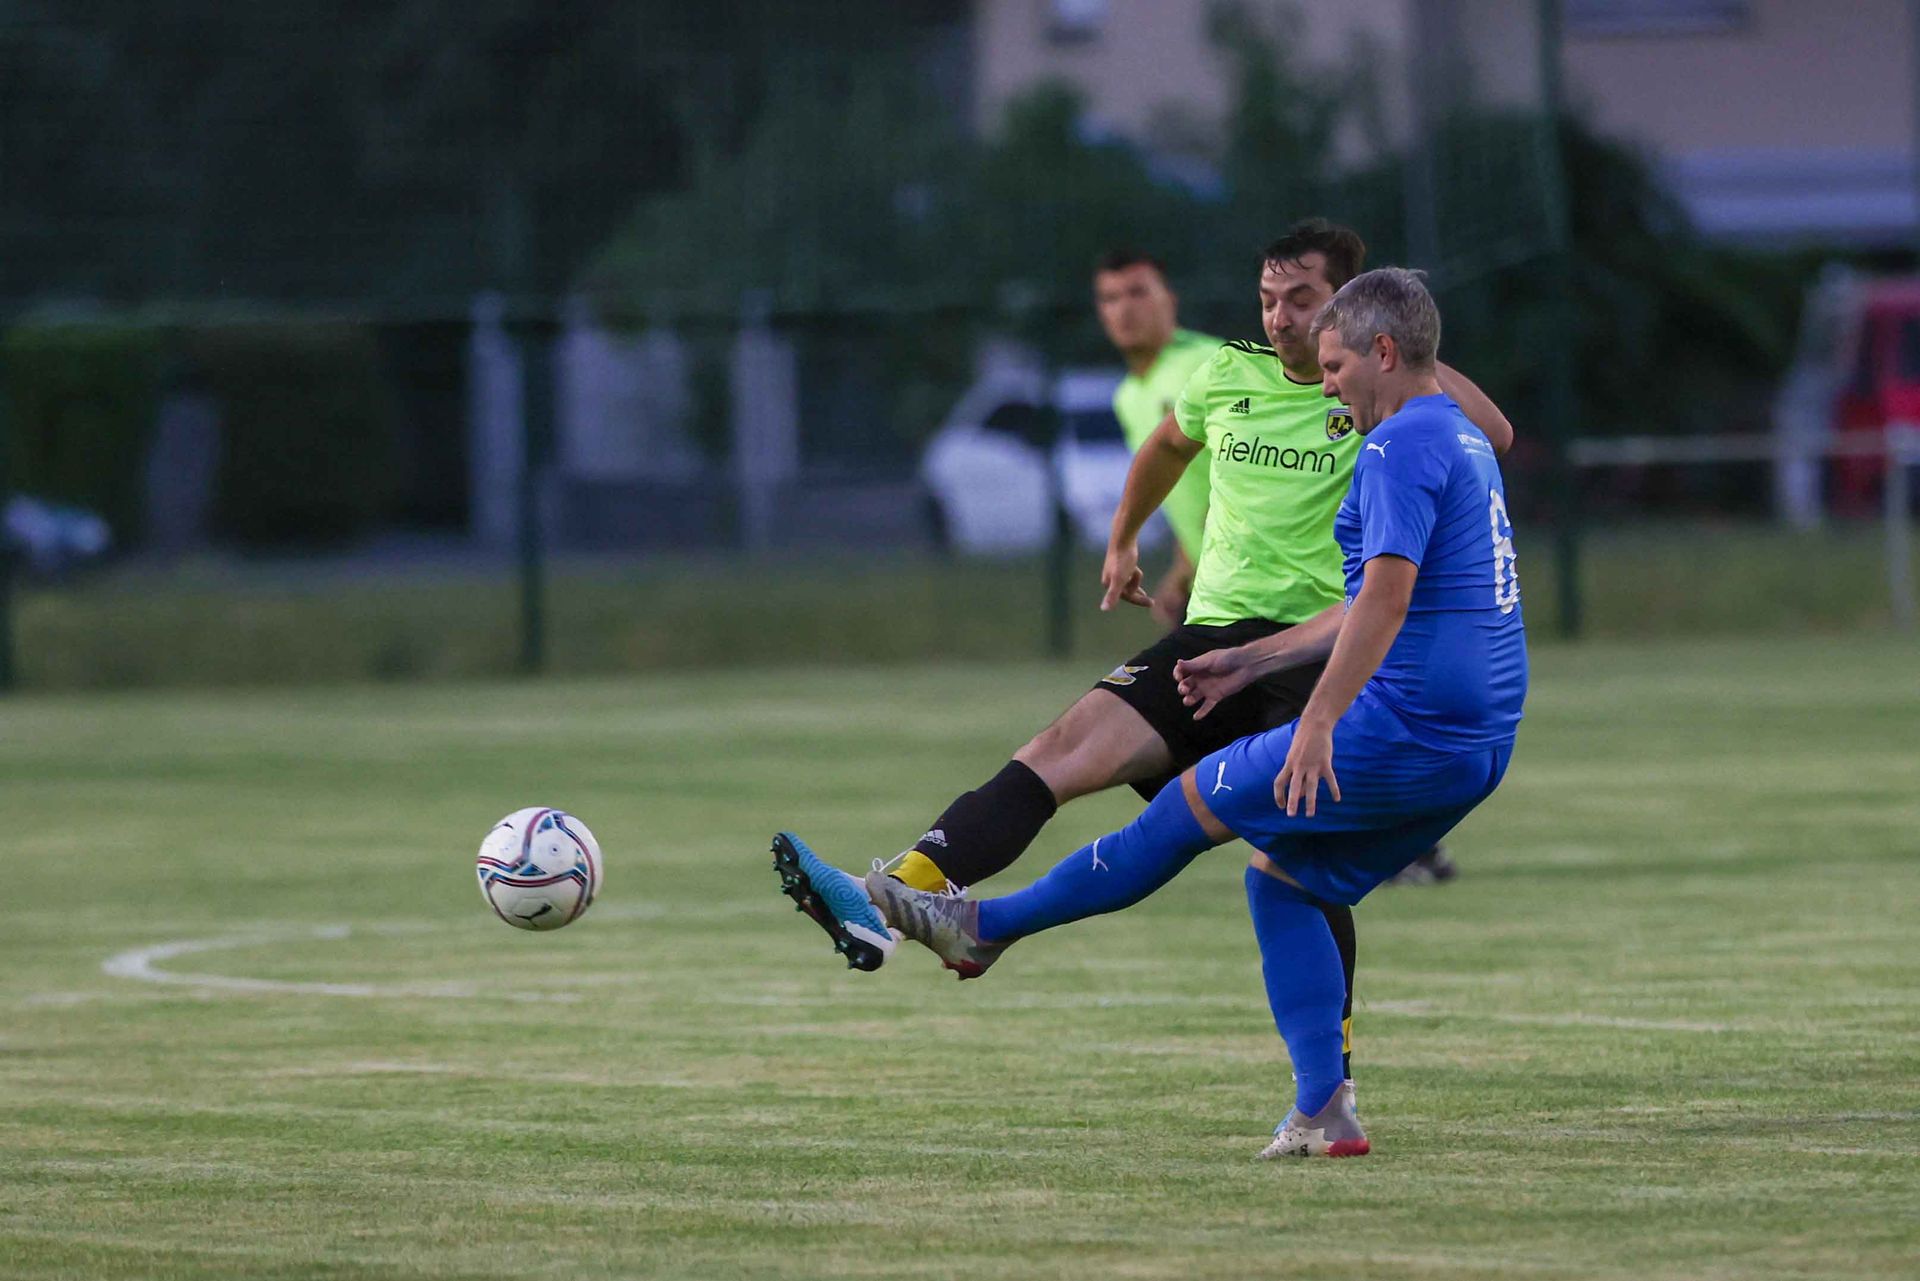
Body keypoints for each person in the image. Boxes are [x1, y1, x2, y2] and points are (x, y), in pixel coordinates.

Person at [864, 267, 1528, 1158]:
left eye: (1335, 364)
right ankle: (1325, 1109)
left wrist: (1321, 722)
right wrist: (1252, 657)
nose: (1325, 384)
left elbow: (1383, 605)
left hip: (1405, 727)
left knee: (1185, 812)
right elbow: (1377, 598)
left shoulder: (1396, 445)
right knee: (1287, 878)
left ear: (1383, 351)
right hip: (1481, 741)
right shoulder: (1458, 434)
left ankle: (981, 929)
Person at [772, 221, 1510, 980]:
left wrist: (1401, 344)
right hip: (1213, 644)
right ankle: (890, 901)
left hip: (1318, 648)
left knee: (1293, 864)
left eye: (1302, 300)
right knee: (1058, 752)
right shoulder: (1228, 373)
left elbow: (1494, 433)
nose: (1281, 318)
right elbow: (1164, 446)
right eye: (1267, 299)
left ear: (1350, 310)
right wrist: (1124, 538)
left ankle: (1329, 1085)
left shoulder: (1373, 393)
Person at [1094, 249, 1219, 626]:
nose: (1125, 310)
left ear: (1171, 300)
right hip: (1215, 584)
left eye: (1138, 293)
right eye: (1110, 298)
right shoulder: (1128, 397)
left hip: (1264, 580)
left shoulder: (1209, 364)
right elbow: (1189, 485)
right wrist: (1183, 572)